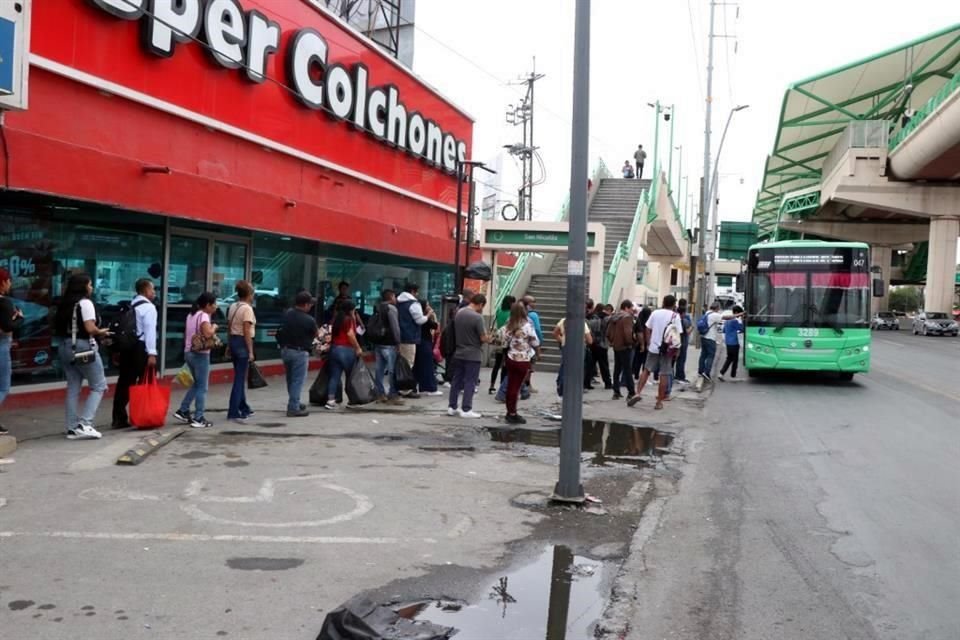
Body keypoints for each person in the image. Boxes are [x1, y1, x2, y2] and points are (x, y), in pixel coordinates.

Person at [54, 273, 110, 440]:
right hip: (83, 346)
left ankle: (71, 427)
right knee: (99, 385)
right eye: (90, 284)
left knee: (73, 386)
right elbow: (90, 328)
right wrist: (102, 331)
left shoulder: (64, 304)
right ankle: (85, 423)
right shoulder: (85, 303)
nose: (92, 288)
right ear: (83, 286)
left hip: (64, 346)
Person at [112, 278, 158, 429]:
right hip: (141, 348)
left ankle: (118, 417)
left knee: (124, 382)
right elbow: (150, 331)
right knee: (144, 382)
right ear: (145, 290)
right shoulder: (149, 308)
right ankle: (143, 415)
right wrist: (152, 353)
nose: (154, 292)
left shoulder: (130, 304)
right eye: (152, 289)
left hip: (127, 348)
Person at [630, 295, 683, 410]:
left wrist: (649, 342)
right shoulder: (675, 316)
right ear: (674, 304)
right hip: (667, 349)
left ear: (663, 302)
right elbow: (678, 334)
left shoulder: (655, 313)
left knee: (646, 370)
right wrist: (677, 350)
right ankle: (659, 401)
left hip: (654, 347)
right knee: (664, 374)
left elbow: (647, 328)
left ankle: (637, 393)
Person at [174, 292, 219, 428]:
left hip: (189, 352)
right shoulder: (204, 315)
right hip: (201, 354)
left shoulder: (191, 315)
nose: (215, 307)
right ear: (207, 305)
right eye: (214, 304)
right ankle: (199, 417)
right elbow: (207, 333)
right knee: (202, 387)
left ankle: (183, 409)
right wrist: (214, 327)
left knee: (196, 384)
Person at [447, 293, 490, 418]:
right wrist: (489, 338)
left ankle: (452, 406)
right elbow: (483, 337)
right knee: (470, 381)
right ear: (481, 304)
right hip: (473, 354)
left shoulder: (459, 312)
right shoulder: (478, 318)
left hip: (459, 352)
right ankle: (466, 409)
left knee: (456, 380)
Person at [278, 291, 319, 417]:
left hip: (285, 350)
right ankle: (293, 407)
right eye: (310, 304)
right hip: (300, 352)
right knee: (297, 380)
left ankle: (294, 401)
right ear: (306, 305)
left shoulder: (287, 315)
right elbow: (317, 335)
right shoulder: (309, 320)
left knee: (290, 379)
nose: (311, 306)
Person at [502, 302, 539, 424]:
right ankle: (513, 413)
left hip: (510, 358)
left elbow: (505, 341)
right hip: (523, 359)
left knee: (510, 385)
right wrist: (538, 353)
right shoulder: (527, 326)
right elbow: (535, 342)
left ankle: (509, 411)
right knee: (516, 387)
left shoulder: (509, 324)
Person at [226, 280, 257, 423]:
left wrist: (228, 345)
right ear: (249, 294)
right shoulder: (247, 309)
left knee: (239, 376)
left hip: (233, 341)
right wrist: (250, 351)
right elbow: (246, 330)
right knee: (239, 380)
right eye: (253, 293)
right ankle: (233, 411)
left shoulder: (233, 306)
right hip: (242, 343)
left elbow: (229, 326)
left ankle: (244, 407)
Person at [325, 300, 363, 410]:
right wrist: (358, 348)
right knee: (350, 376)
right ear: (351, 310)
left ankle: (330, 400)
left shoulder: (337, 318)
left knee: (334, 376)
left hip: (335, 349)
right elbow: (350, 334)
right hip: (346, 349)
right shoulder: (349, 319)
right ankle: (352, 400)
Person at [0, 268, 24, 436]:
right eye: (8, 280)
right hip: (1, 345)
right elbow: (8, 327)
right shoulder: (4, 303)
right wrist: (20, 318)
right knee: (3, 387)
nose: (10, 284)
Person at [397, 283, 428, 397]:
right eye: (417, 291)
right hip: (409, 337)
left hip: (399, 337)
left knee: (400, 363)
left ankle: (398, 387)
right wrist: (428, 315)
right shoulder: (413, 304)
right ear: (413, 291)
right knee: (408, 364)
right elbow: (419, 320)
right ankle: (405, 390)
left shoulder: (398, 302)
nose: (418, 294)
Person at [373, 289, 403, 405]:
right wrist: (398, 342)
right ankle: (393, 393)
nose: (395, 299)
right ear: (391, 297)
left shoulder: (378, 308)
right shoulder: (391, 309)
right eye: (394, 296)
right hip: (389, 343)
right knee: (392, 370)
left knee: (379, 369)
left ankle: (380, 393)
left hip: (378, 342)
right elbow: (395, 327)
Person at [553, 314, 593, 397]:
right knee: (578, 369)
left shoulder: (563, 321)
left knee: (565, 367)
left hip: (566, 347)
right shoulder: (582, 323)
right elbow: (590, 340)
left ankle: (561, 387)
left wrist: (562, 340)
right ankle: (575, 389)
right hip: (578, 348)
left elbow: (555, 333)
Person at [607, 300, 637, 400]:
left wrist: (612, 341)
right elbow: (627, 333)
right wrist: (631, 342)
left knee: (617, 369)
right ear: (626, 308)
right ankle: (631, 392)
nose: (632, 310)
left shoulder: (614, 317)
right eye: (631, 308)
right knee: (627, 369)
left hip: (616, 345)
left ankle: (616, 391)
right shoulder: (627, 317)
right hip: (625, 346)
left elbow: (608, 332)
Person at [414, 299, 442, 396]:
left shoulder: (417, 317)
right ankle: (430, 388)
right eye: (427, 305)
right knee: (427, 366)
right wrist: (431, 314)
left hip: (418, 342)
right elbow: (436, 326)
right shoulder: (424, 318)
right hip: (424, 342)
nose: (429, 307)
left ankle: (418, 386)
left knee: (418, 366)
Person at [488, 295, 515, 394]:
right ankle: (502, 387)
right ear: (511, 303)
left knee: (496, 364)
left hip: (499, 340)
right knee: (505, 365)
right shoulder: (511, 313)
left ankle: (491, 386)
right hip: (507, 341)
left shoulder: (499, 311)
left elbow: (495, 324)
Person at [697, 301, 723, 383]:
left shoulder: (707, 313)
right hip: (710, 338)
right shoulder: (715, 315)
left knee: (703, 355)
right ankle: (706, 372)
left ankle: (700, 371)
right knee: (711, 355)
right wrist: (737, 315)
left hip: (703, 337)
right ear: (717, 308)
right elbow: (725, 318)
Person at [588, 304, 612, 390]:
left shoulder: (593, 318)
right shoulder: (607, 319)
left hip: (593, 343)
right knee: (604, 365)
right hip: (602, 344)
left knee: (591, 364)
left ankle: (586, 382)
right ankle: (608, 383)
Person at [719, 305, 745, 381]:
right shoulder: (734, 321)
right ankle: (730, 375)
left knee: (729, 358)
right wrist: (742, 320)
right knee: (734, 360)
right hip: (734, 343)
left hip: (728, 342)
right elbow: (741, 328)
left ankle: (724, 373)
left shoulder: (727, 321)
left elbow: (724, 330)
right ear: (736, 313)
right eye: (739, 314)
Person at [632, 304, 653, 379]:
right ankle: (644, 376)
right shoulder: (649, 322)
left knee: (638, 360)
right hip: (646, 343)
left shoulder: (638, 320)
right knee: (646, 361)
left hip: (638, 343)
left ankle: (636, 374)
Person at [674, 299, 692, 385]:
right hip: (683, 341)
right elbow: (688, 331)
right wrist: (692, 327)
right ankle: (680, 376)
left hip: (675, 341)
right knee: (681, 359)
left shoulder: (674, 318)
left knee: (675, 360)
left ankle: (676, 376)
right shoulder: (684, 320)